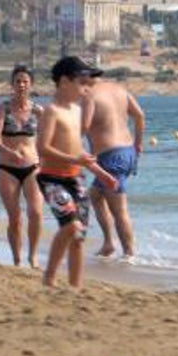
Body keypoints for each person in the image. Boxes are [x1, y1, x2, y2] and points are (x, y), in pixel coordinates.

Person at [37, 56, 118, 288]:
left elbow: (78, 150)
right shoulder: (52, 111)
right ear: (64, 82)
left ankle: (75, 286)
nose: (86, 88)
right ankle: (49, 277)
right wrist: (75, 158)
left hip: (76, 178)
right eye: (82, 82)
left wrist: (101, 173)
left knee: (79, 237)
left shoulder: (76, 110)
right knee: (70, 226)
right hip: (52, 179)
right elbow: (42, 148)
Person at [82, 71, 146, 258]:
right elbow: (140, 116)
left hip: (112, 157)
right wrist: (138, 143)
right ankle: (109, 243)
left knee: (119, 210)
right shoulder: (119, 90)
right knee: (95, 196)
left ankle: (129, 254)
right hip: (127, 152)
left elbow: (84, 127)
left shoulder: (89, 95)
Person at [0, 64, 45, 267]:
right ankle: (17, 258)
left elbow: (48, 141)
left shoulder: (38, 111)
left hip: (33, 168)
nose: (21, 85)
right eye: (18, 81)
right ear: (12, 84)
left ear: (31, 85)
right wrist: (10, 153)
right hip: (7, 169)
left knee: (36, 212)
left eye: (25, 81)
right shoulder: (3, 109)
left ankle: (33, 255)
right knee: (15, 218)